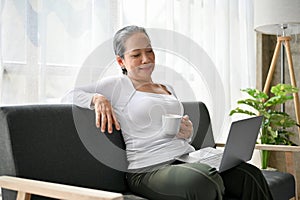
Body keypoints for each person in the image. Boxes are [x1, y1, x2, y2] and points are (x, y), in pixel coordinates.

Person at [62, 25, 273, 200]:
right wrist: (97, 98)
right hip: (148, 169)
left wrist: (186, 131)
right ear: (121, 61)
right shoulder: (118, 85)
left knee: (249, 173)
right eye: (136, 55)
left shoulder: (167, 88)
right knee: (205, 179)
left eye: (149, 51)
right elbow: (68, 95)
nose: (146, 59)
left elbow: (171, 132)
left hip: (184, 158)